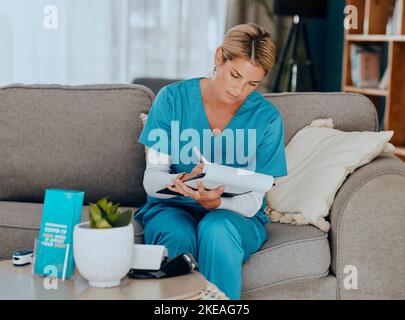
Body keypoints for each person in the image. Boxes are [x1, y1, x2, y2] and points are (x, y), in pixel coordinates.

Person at [134, 23, 288, 300]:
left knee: (216, 229)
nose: (239, 90)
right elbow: (152, 178)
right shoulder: (172, 99)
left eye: (252, 83)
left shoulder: (268, 118)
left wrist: (218, 203)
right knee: (178, 233)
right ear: (219, 58)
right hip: (171, 207)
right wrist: (179, 183)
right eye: (235, 75)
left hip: (235, 216)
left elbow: (254, 200)